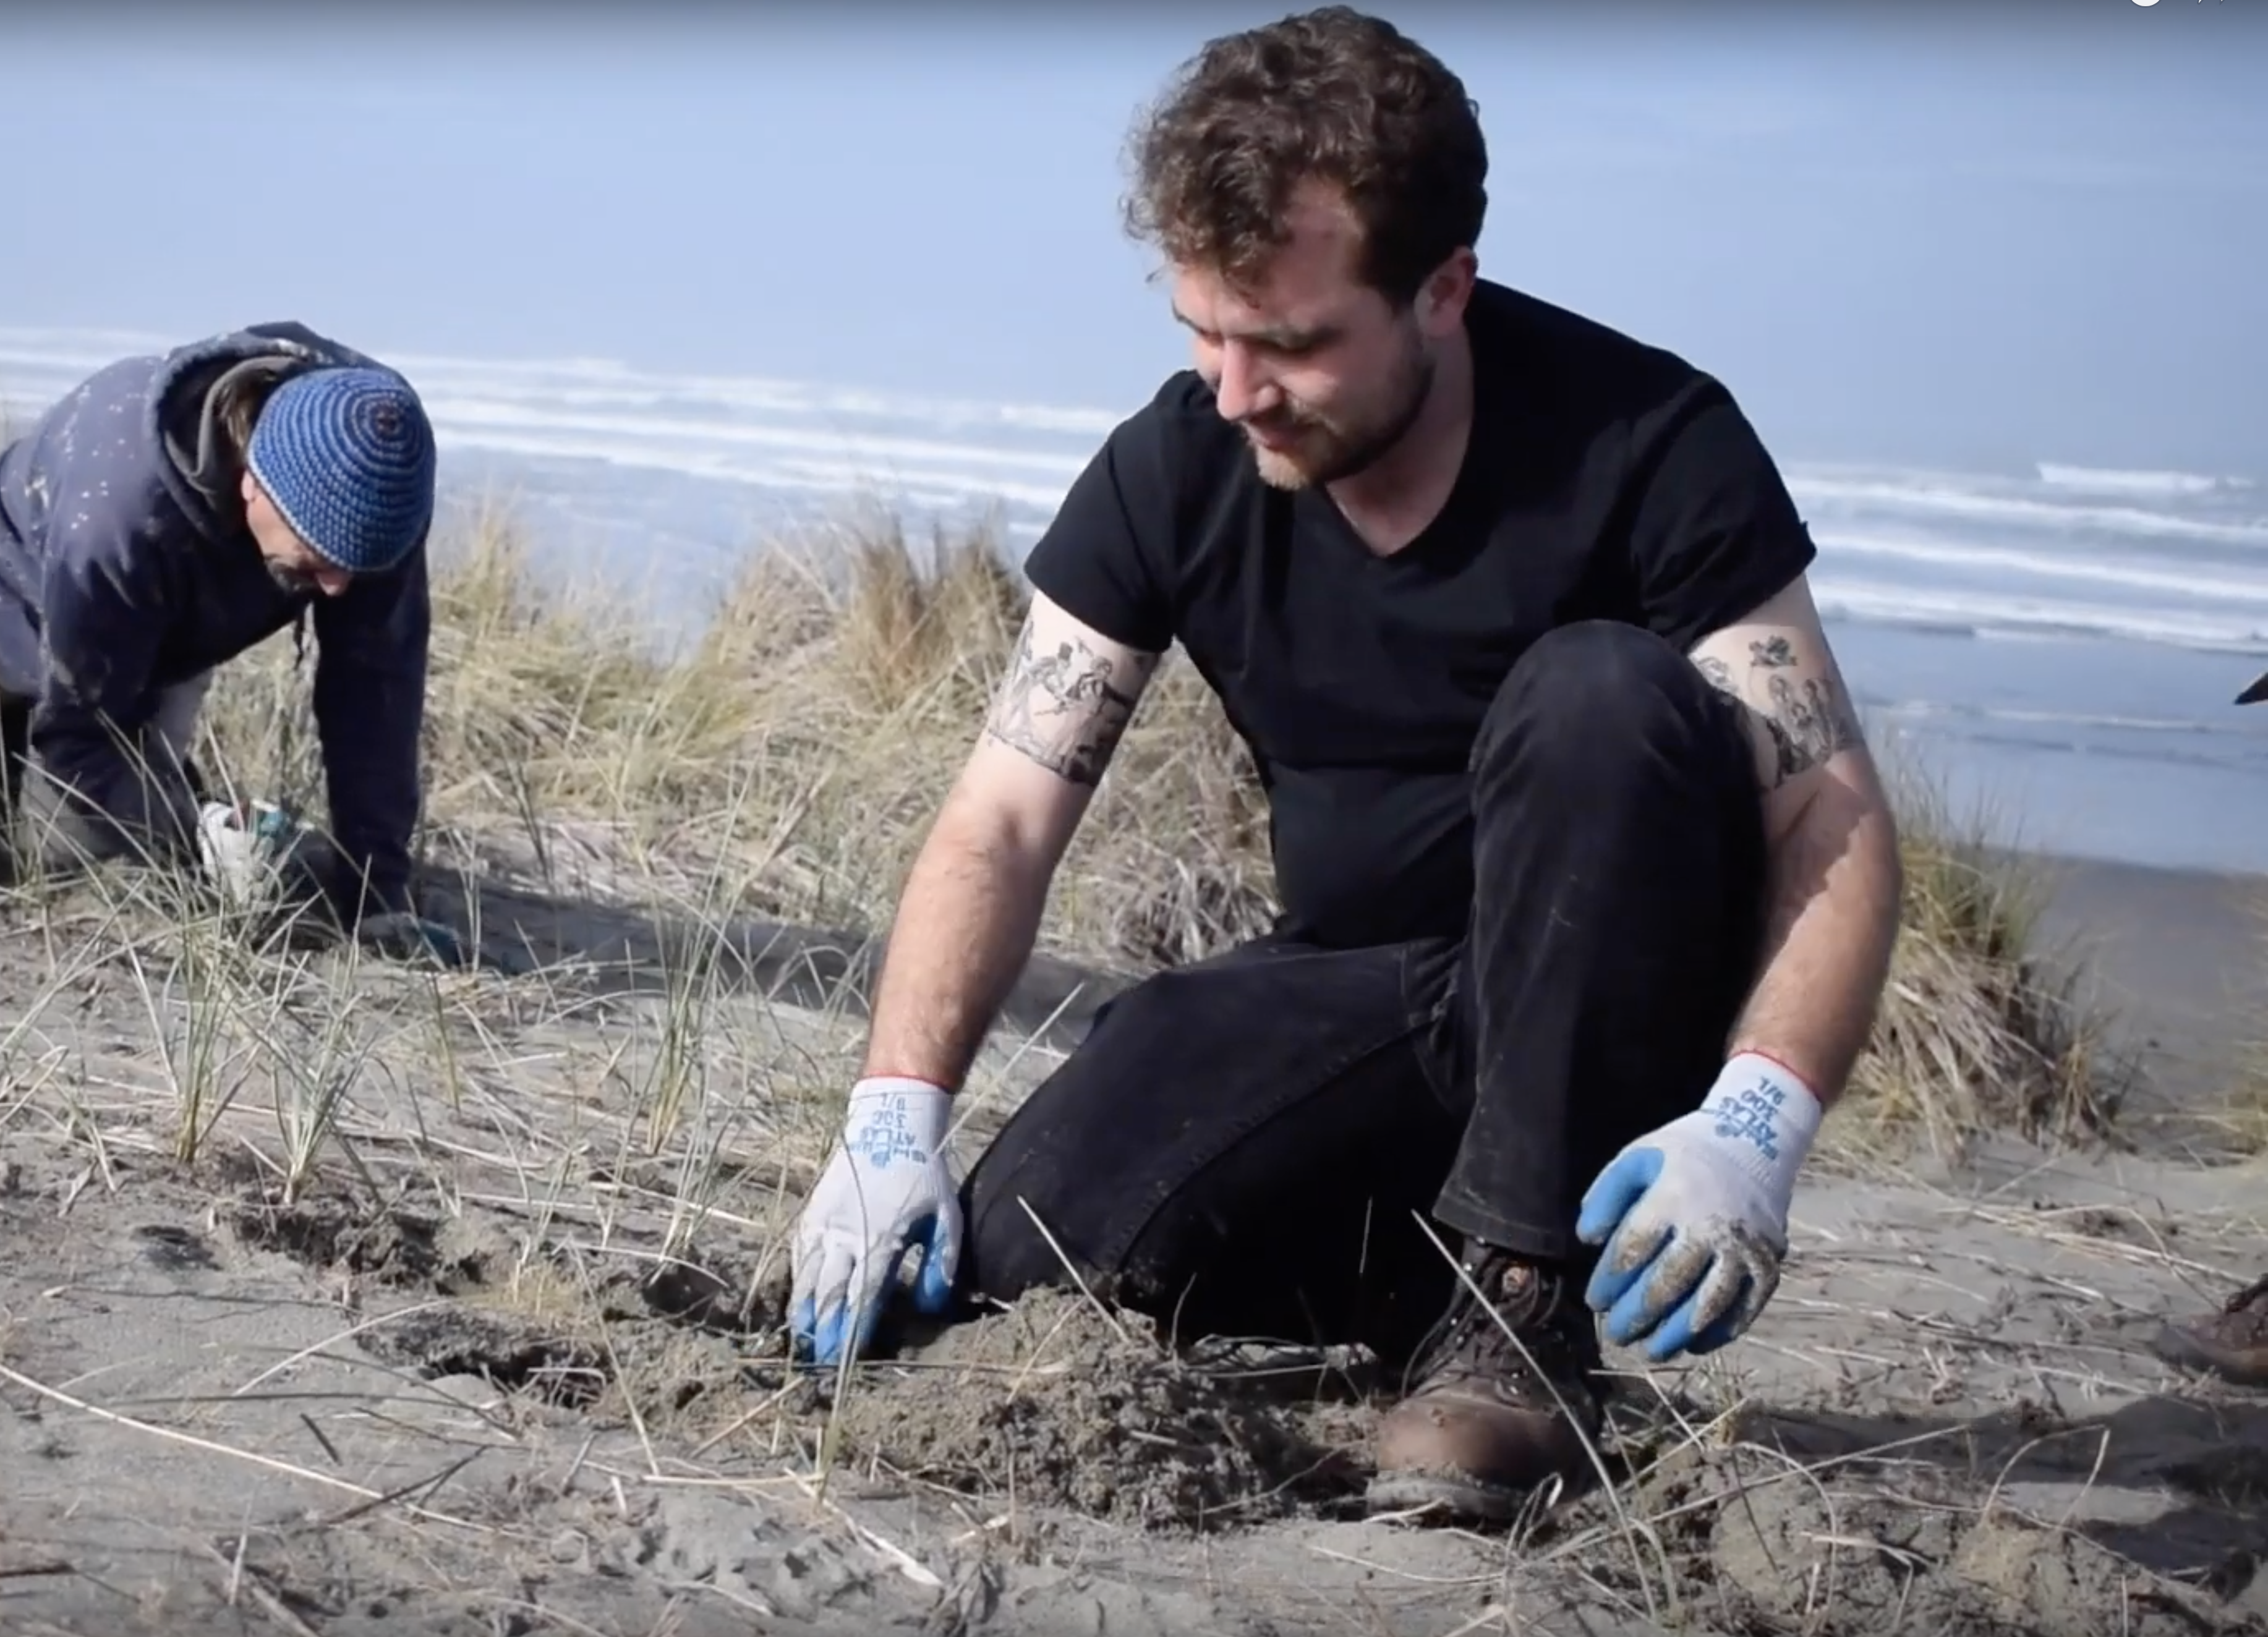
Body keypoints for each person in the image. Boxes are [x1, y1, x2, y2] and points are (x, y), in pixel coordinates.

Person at [782, 5, 1905, 1526]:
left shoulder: (1650, 443)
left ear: (1442, 290)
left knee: (1593, 691)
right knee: (1006, 1257)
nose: (1235, 391)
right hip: (1362, 1000)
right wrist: (891, 1115)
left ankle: (1515, 1318)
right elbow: (1000, 814)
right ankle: (1415, 1286)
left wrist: (1757, 1122)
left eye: (1292, 343)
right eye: (1202, 330)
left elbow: (1827, 813)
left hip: (1596, 1015)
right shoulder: (1180, 459)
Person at [0, 321, 453, 950]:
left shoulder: (380, 471)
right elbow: (81, 739)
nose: (334, 587)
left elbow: (376, 691)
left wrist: (376, 891)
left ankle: (24, 783)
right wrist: (137, 847)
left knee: (88, 853)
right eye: (314, 562)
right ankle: (21, 768)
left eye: (353, 570)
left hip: (146, 657)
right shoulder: (122, 502)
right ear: (254, 486)